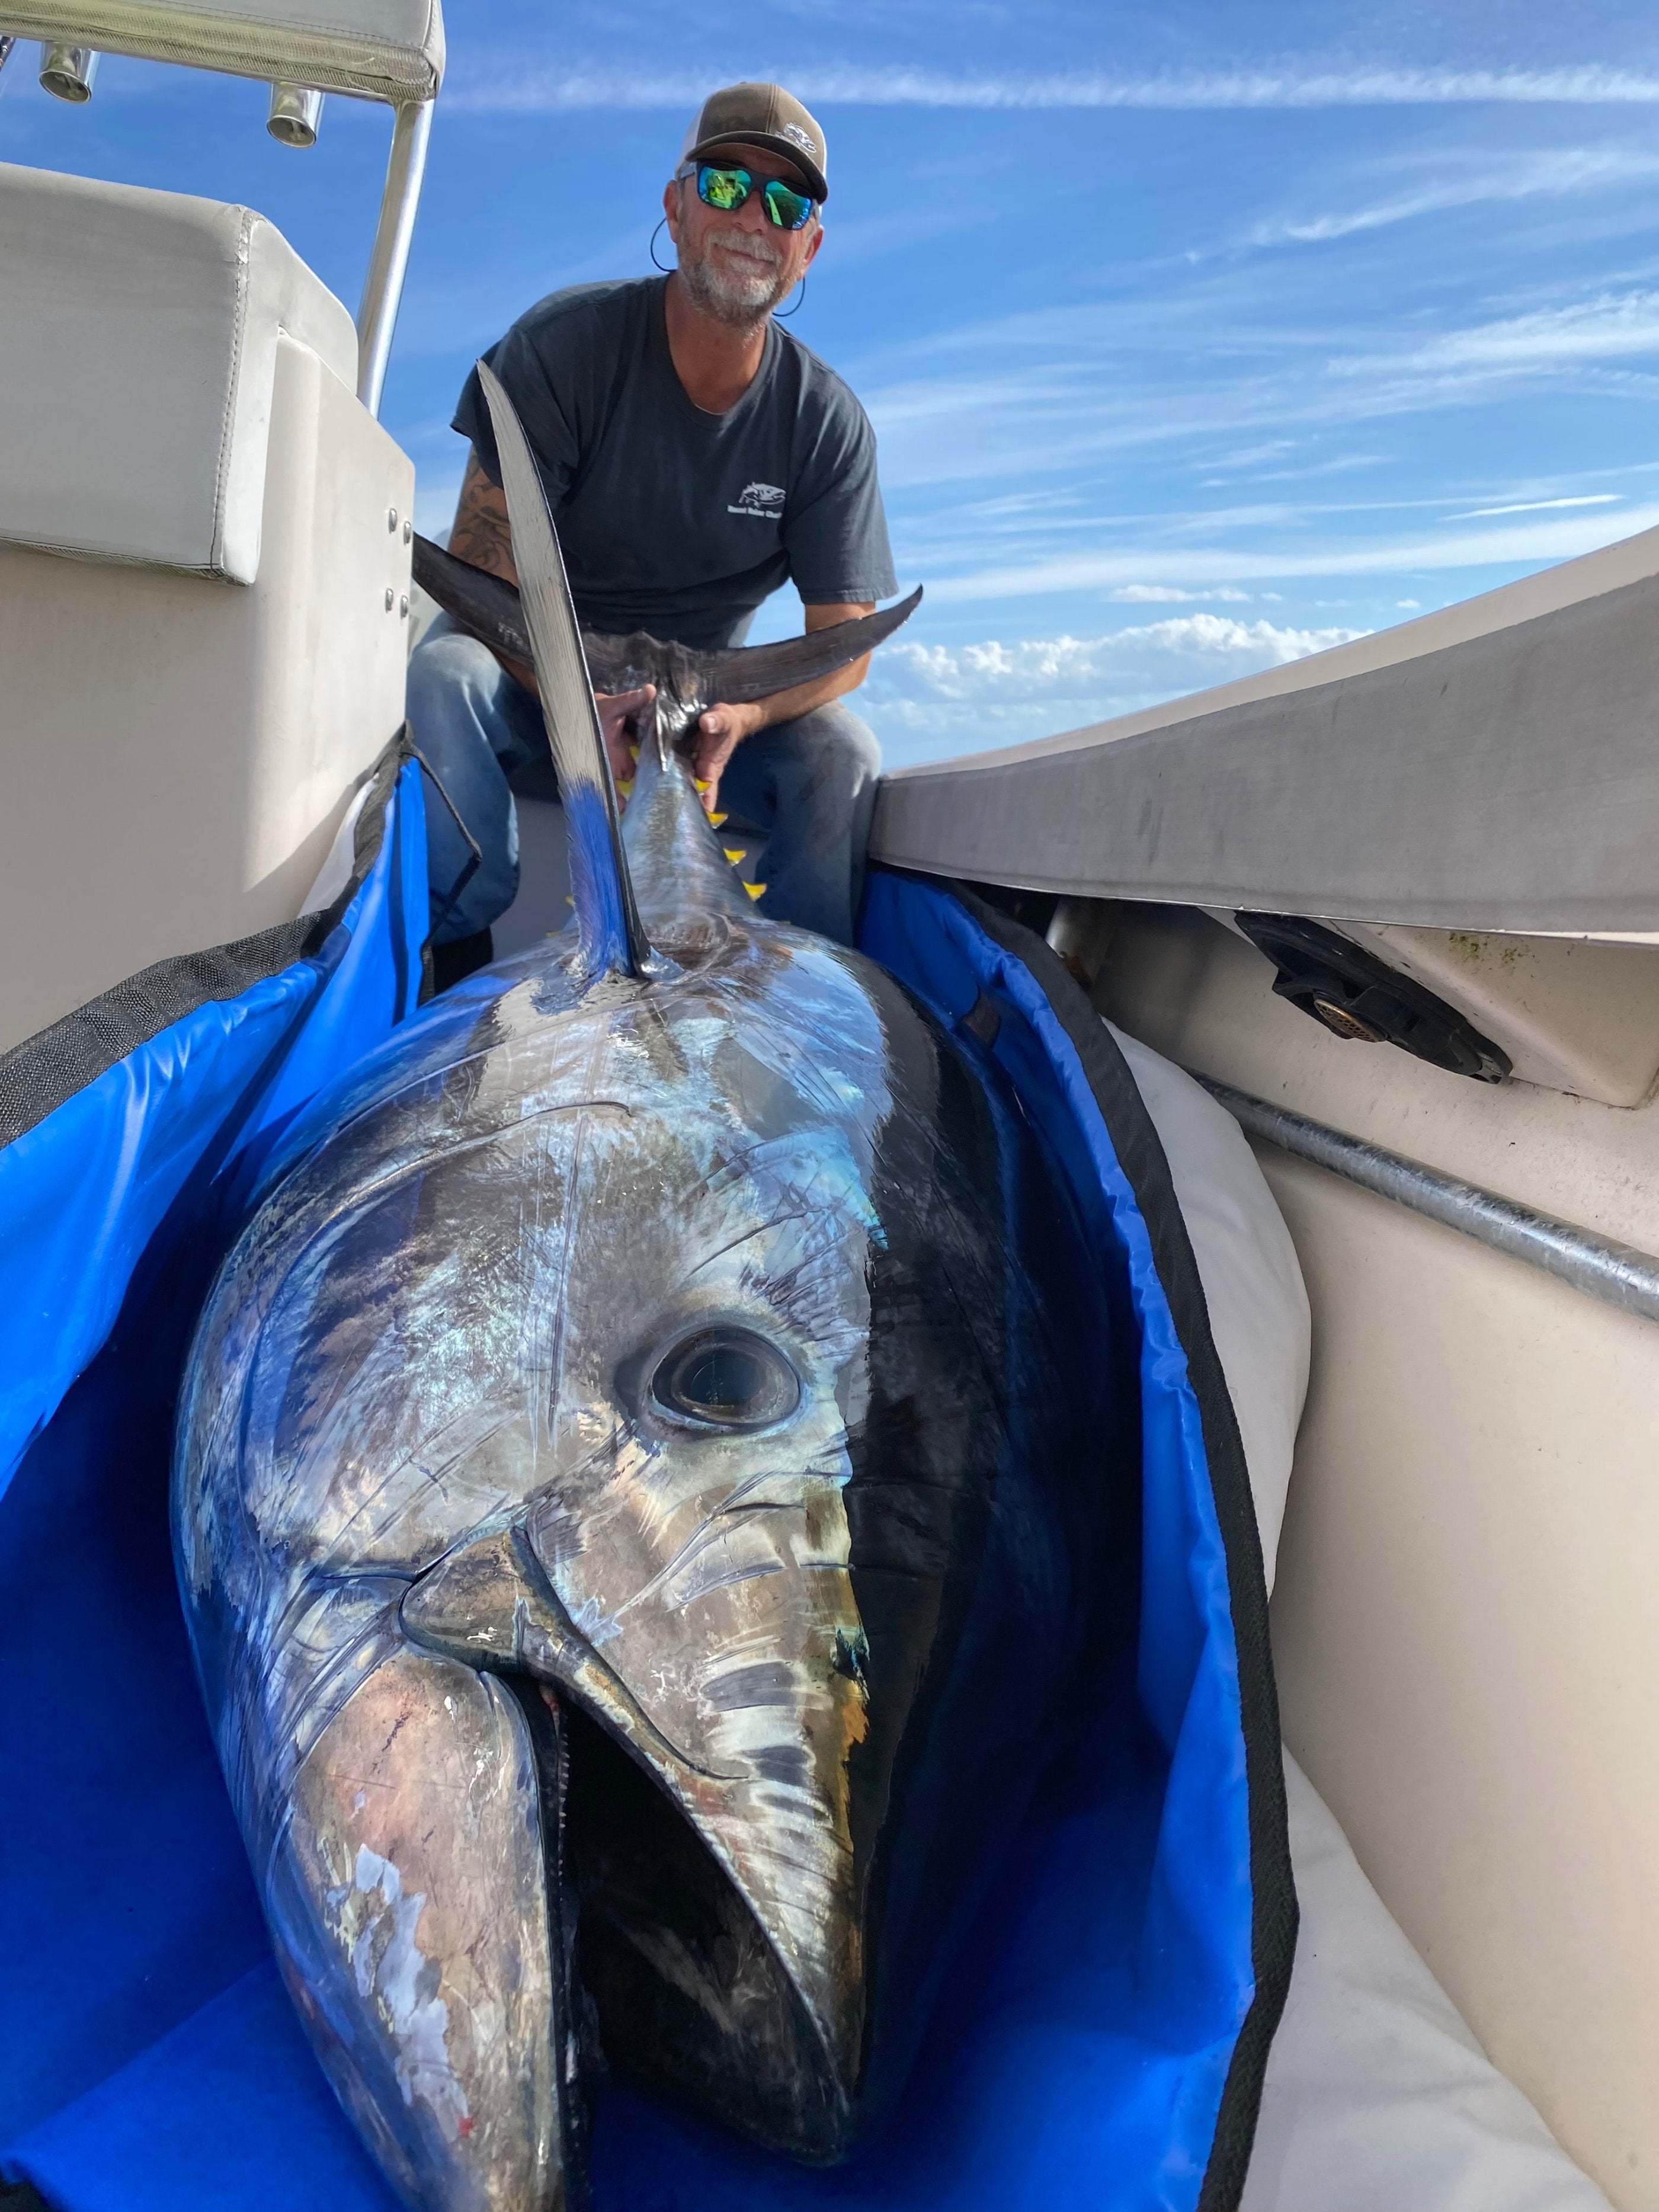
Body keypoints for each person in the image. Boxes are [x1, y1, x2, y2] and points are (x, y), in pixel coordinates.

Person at [408, 80, 899, 976]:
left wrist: (738, 713)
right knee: (445, 675)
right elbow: (483, 571)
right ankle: (453, 957)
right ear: (674, 209)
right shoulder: (563, 346)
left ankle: (802, 998)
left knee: (845, 755)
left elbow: (847, 648)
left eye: (786, 203)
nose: (755, 216)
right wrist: (580, 706)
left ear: (810, 249)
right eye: (724, 187)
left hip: (705, 716)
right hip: (539, 686)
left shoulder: (825, 421)